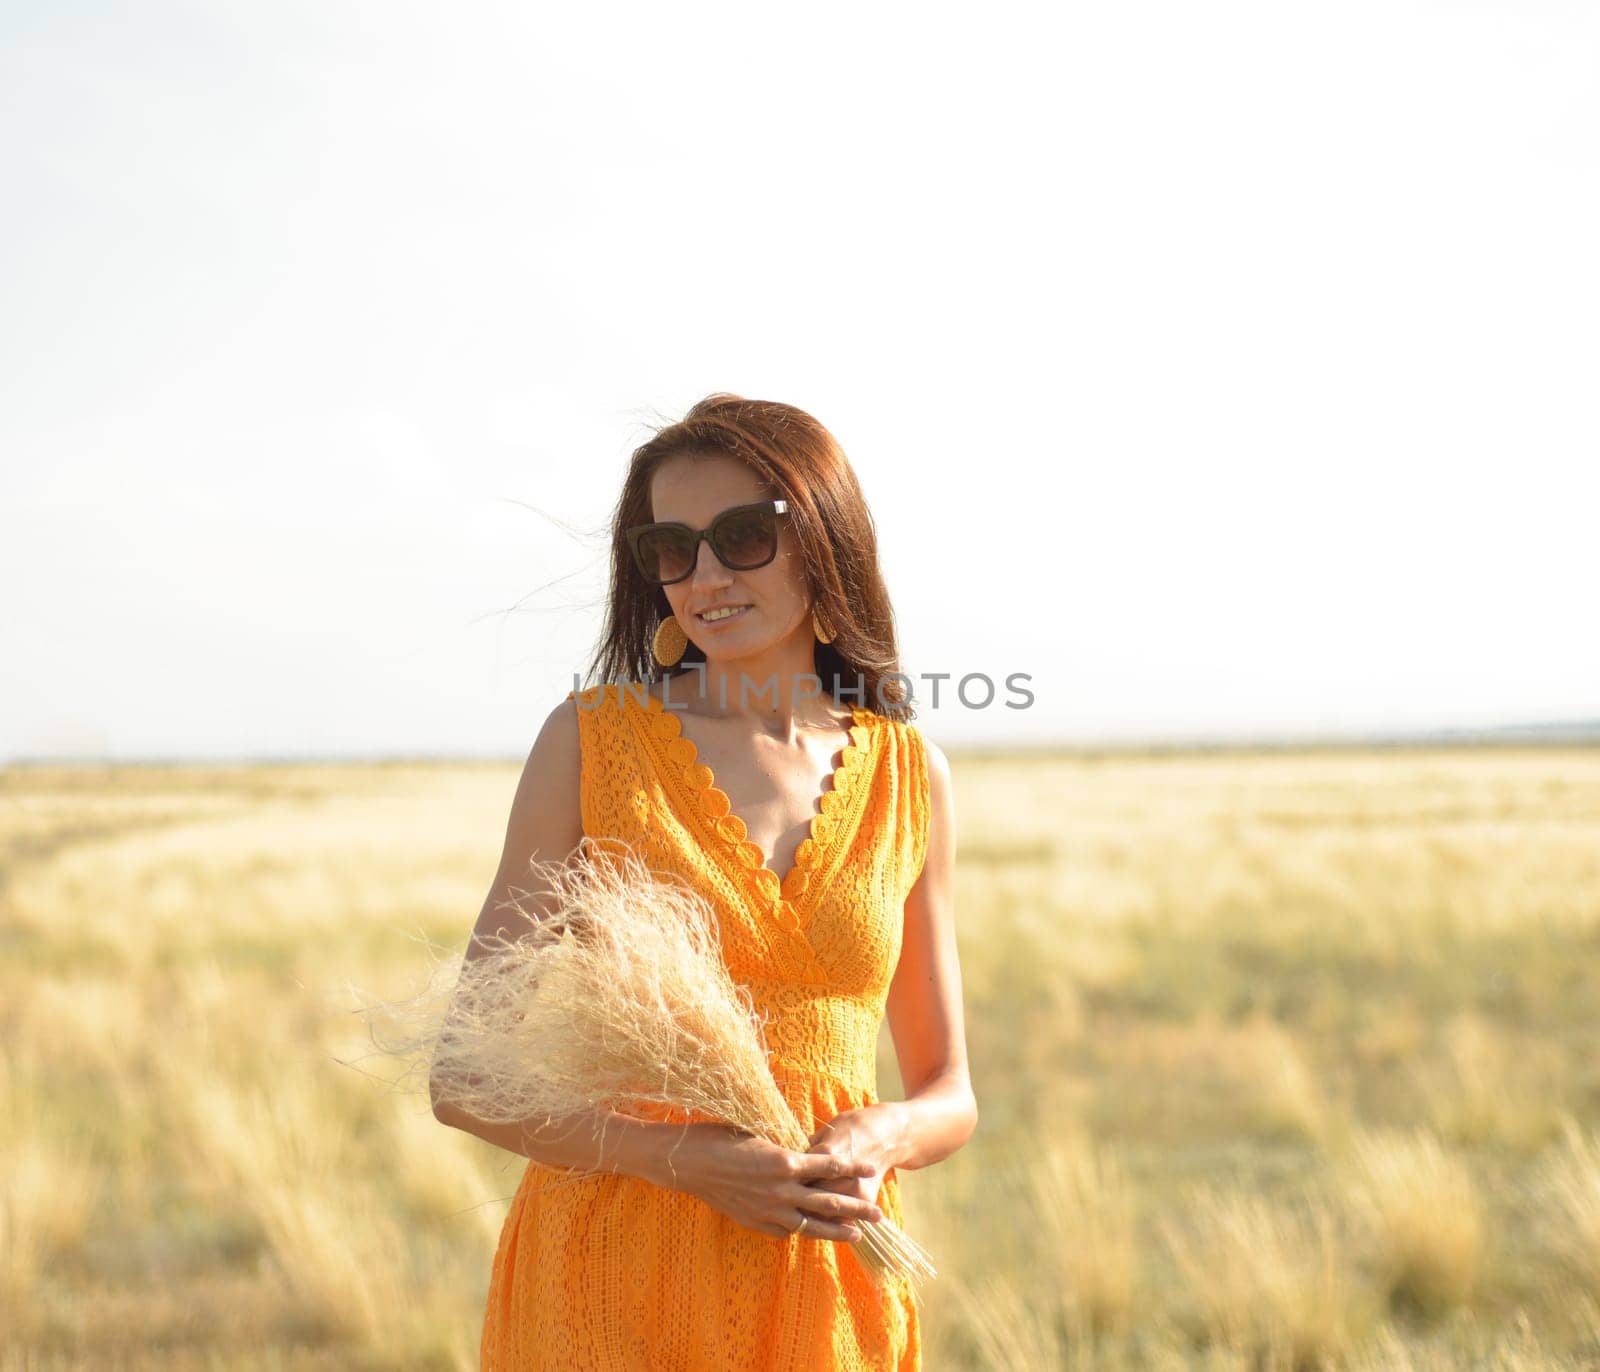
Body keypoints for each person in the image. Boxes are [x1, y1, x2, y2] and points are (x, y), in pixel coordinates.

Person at [434, 393, 977, 1370]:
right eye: (669, 550)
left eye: (740, 536)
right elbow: (464, 1078)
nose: (705, 577)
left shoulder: (909, 775)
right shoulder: (591, 745)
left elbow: (949, 1092)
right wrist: (683, 1160)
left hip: (822, 1279)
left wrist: (882, 1133)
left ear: (824, 535)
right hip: (610, 1276)